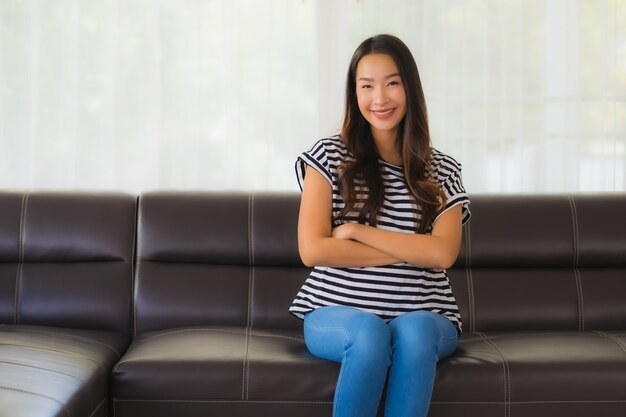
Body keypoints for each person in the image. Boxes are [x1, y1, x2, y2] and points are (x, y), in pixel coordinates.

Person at [289, 34, 471, 417]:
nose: (380, 98)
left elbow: (442, 253)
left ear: (410, 87)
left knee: (416, 332)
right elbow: (314, 249)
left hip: (427, 313)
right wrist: (410, 250)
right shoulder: (327, 156)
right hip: (334, 311)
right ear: (354, 93)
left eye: (392, 83)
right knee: (370, 333)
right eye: (366, 86)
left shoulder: (442, 170)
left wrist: (357, 231)